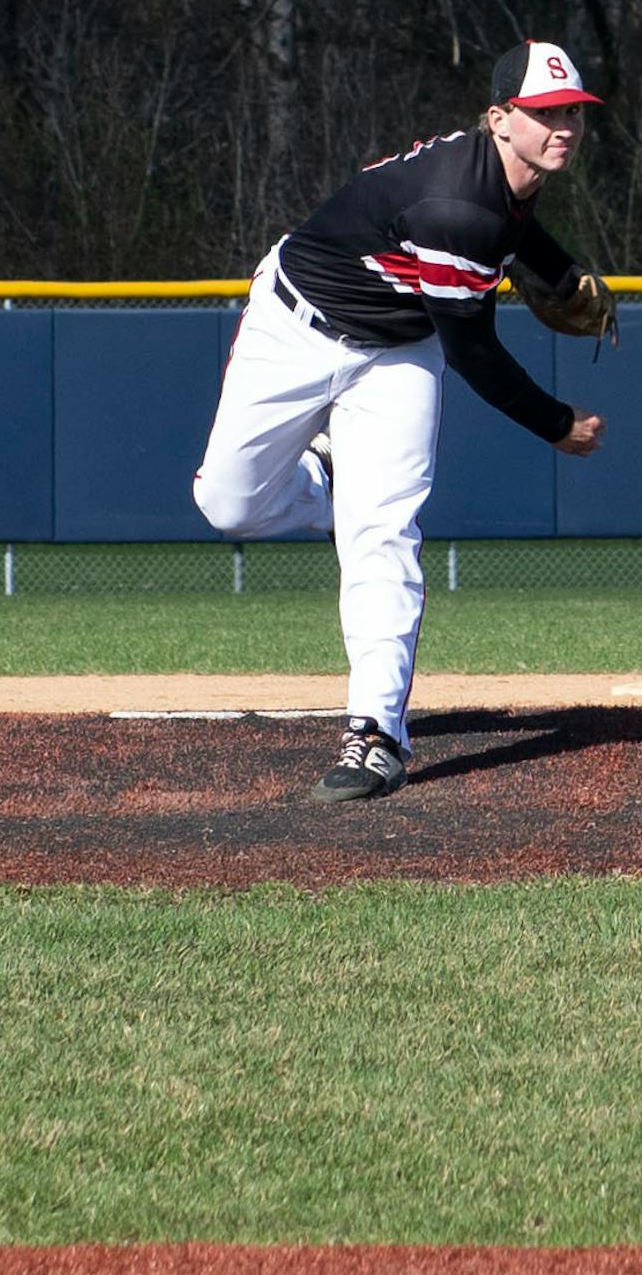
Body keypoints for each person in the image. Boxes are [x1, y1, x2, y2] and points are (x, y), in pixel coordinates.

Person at [192, 39, 610, 802]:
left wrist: (554, 270)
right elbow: (477, 351)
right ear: (498, 118)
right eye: (545, 113)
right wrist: (556, 422)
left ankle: (376, 733)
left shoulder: (501, 178)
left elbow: (508, 228)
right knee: (228, 505)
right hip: (296, 324)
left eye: (573, 113)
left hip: (397, 352)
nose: (564, 127)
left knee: (384, 533)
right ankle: (323, 486)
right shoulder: (457, 201)